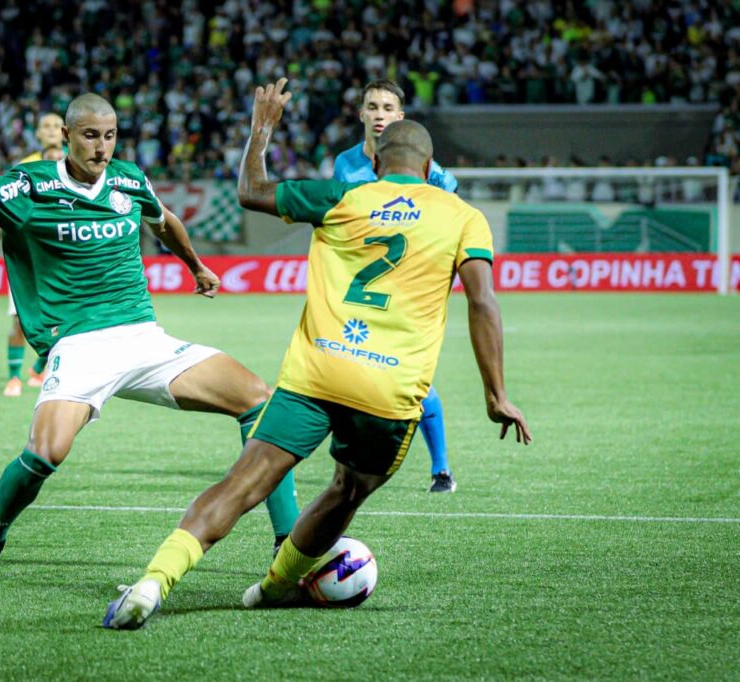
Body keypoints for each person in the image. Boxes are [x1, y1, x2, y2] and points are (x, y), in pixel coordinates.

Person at [104, 79, 531, 630]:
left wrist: (263, 126)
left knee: (242, 484)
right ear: (430, 169)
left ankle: (152, 582)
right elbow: (483, 303)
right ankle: (274, 587)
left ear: (378, 166)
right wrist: (496, 394)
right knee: (347, 489)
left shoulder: (342, 196)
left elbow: (251, 191)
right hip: (389, 390)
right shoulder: (462, 216)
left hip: (315, 374)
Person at [0, 93, 301, 579]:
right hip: (78, 345)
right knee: (45, 452)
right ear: (67, 136)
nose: (102, 146)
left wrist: (195, 265)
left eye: (110, 135)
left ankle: (288, 542)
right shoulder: (32, 184)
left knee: (259, 399)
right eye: (91, 135)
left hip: (142, 337)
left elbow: (164, 221)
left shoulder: (129, 180)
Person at [334, 78, 459, 493]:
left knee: (412, 377)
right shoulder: (345, 165)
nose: (380, 114)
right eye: (373, 106)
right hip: (362, 288)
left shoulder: (427, 168)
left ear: (400, 117)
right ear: (362, 114)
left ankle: (441, 468)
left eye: (389, 107)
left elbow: (451, 204)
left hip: (407, 286)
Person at [0, 113, 67, 397]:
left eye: (55, 125)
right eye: (45, 126)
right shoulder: (25, 168)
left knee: (68, 320)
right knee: (20, 320)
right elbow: (8, 216)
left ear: (65, 132)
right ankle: (14, 378)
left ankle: (39, 368)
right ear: (37, 134)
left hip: (66, 255)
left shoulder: (78, 165)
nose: (50, 131)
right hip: (30, 258)